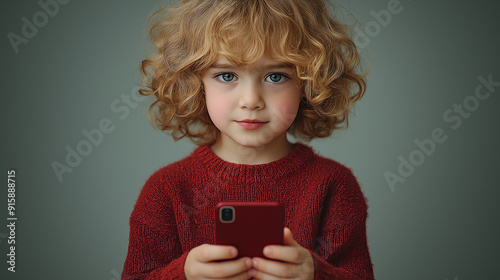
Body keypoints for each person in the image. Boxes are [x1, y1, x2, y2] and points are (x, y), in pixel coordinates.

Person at [122, 0, 374, 279]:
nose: (251, 101)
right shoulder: (166, 189)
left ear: (308, 83)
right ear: (195, 83)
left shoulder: (334, 186)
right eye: (227, 75)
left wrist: (315, 274)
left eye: (275, 76)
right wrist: (184, 274)